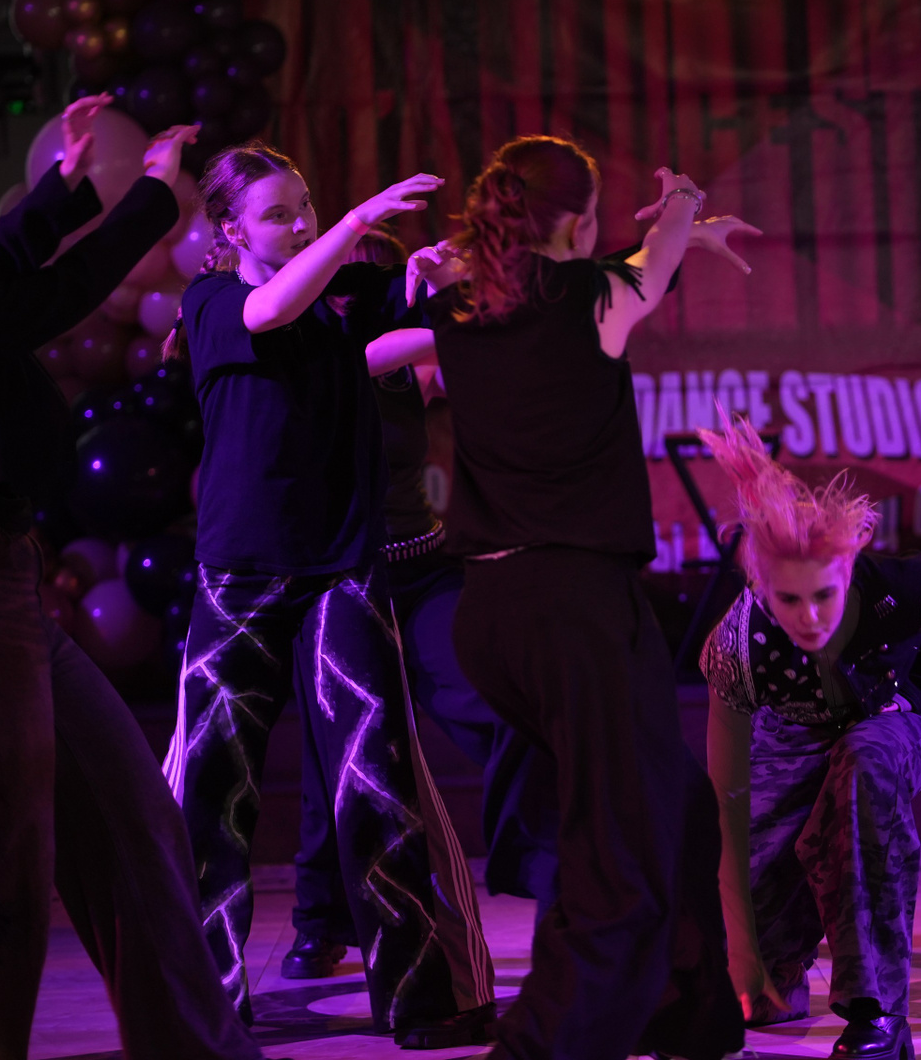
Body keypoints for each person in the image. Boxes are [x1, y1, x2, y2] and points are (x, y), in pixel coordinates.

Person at [0, 100, 261, 1060]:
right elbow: (57, 289)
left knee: (132, 819)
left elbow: (6, 261)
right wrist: (152, 197)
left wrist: (64, 187)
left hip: (2, 591)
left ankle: (194, 1047)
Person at [416, 135, 755, 1060]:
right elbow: (650, 261)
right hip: (572, 609)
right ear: (580, 221)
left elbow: (628, 272)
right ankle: (541, 1047)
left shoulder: (463, 306)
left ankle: (686, 1014)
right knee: (618, 858)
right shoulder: (590, 297)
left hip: (494, 613)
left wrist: (678, 236)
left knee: (671, 803)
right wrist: (682, 201)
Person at [159, 141, 493, 1048]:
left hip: (343, 572)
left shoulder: (347, 296)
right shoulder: (212, 301)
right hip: (240, 579)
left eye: (305, 205)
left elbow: (446, 321)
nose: (301, 222)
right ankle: (202, 1007)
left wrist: (440, 281)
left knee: (376, 783)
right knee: (211, 796)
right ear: (232, 231)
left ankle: (419, 999)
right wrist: (357, 221)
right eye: (278, 213)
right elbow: (271, 309)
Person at [281, 225, 555, 981]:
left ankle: (546, 866)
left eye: (376, 278)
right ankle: (319, 920)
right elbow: (384, 348)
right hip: (341, 582)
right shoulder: (318, 354)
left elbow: (478, 364)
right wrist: (442, 305)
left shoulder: (411, 363)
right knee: (333, 755)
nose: (356, 293)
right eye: (347, 280)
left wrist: (447, 290)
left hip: (423, 571)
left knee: (496, 708)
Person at [694, 417, 921, 1060]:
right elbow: (727, 804)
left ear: (848, 568)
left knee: (863, 765)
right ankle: (781, 972)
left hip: (887, 724)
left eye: (824, 595)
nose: (810, 618)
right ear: (759, 586)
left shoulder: (899, 588)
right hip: (790, 734)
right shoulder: (735, 649)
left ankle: (878, 1014)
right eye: (788, 600)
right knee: (743, 950)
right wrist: (745, 957)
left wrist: (920, 692)